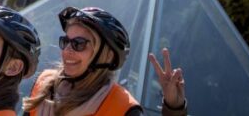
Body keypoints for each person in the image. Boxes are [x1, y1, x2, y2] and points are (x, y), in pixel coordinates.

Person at [23, 7, 187, 116]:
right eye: (65, 41)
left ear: (107, 56)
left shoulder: (123, 108)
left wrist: (174, 108)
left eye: (78, 44)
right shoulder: (43, 83)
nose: (67, 50)